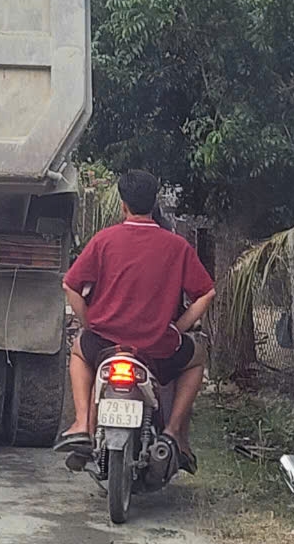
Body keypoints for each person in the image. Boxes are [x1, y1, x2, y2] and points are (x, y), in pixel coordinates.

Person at [56, 170, 216, 473]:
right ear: (154, 202)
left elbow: (70, 285)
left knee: (79, 349)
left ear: (122, 205)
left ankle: (82, 424)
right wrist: (178, 328)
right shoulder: (176, 246)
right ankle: (174, 434)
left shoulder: (104, 240)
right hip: (158, 347)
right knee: (196, 359)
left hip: (105, 343)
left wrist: (89, 323)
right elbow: (206, 293)